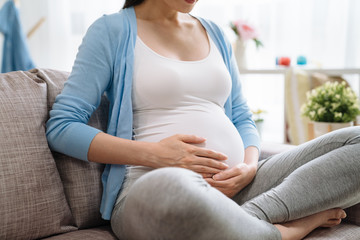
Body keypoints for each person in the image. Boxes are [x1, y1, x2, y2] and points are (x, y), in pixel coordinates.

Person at [46, 0, 360, 239]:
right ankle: (283, 232)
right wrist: (157, 155)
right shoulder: (111, 31)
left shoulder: (214, 32)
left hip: (239, 188)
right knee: (179, 185)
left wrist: (248, 167)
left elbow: (242, 116)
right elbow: (62, 127)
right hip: (152, 187)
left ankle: (240, 222)